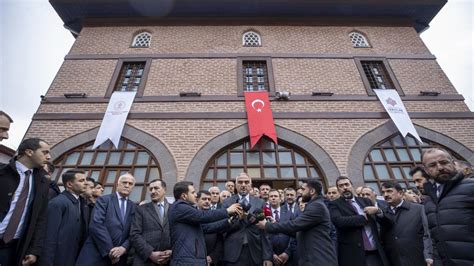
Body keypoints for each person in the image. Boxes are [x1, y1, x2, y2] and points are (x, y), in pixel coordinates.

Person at [257, 179, 337, 266]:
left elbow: (294, 225)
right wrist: (275, 223)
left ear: (312, 191)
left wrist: (267, 225)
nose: (301, 193)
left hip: (318, 259)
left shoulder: (317, 206)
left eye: (303, 190)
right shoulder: (314, 205)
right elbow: (297, 231)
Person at [0, 138, 51, 266]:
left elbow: (40, 218)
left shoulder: (43, 181)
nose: (49, 157)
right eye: (44, 152)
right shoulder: (3, 172)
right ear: (29, 152)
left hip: (13, 247)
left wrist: (34, 250)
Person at [168, 181, 242, 265]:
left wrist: (229, 221)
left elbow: (207, 228)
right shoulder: (179, 206)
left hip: (194, 260)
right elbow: (202, 215)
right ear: (184, 196)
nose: (196, 195)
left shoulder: (187, 211)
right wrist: (227, 211)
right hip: (186, 261)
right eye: (192, 192)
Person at [421, 148, 474, 265]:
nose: (440, 168)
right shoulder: (429, 200)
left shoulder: (471, 186)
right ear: (426, 170)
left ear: (453, 163)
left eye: (444, 162)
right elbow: (435, 238)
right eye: (432, 165)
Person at [76, 173, 137, 266]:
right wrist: (111, 251)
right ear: (118, 184)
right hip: (97, 254)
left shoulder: (134, 207)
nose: (127, 185)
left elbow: (134, 231)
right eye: (124, 182)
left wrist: (124, 248)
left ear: (133, 187)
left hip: (120, 258)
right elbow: (96, 225)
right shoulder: (104, 200)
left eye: (130, 184)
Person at [329, 176, 388, 266]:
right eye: (341, 186)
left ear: (351, 186)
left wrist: (378, 211)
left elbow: (383, 222)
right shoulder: (334, 204)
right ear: (338, 190)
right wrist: (363, 218)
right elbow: (339, 221)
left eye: (347, 184)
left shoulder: (365, 201)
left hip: (375, 252)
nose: (344, 187)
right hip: (353, 255)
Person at [38, 169, 89, 266]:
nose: (86, 183)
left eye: (85, 180)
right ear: (69, 184)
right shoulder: (57, 203)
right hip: (57, 259)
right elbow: (49, 237)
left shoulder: (81, 203)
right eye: (81, 181)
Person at [221, 172, 273, 266]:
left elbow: (264, 231)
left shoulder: (260, 202)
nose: (243, 185)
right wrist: (237, 219)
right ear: (236, 185)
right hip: (233, 253)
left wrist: (267, 256)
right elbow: (222, 228)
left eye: (246, 182)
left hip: (255, 252)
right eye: (240, 182)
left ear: (251, 185)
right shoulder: (227, 203)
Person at [378, 181, 433, 266]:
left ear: (400, 193)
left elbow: (428, 234)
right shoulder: (382, 214)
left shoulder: (419, 209)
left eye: (389, 191)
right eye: (383, 192)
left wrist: (429, 255)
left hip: (419, 259)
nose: (385, 195)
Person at [130, 179, 172, 266]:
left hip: (169, 260)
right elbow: (134, 234)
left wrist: (172, 251)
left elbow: (179, 234)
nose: (153, 191)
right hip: (144, 260)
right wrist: (150, 253)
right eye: (151, 189)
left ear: (165, 190)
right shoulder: (141, 209)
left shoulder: (174, 209)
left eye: (156, 188)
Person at [265, 189, 297, 266]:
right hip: (271, 258)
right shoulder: (264, 214)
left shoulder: (289, 214)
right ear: (268, 199)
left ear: (280, 198)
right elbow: (263, 236)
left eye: (275, 196)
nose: (273, 198)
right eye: (271, 196)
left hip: (288, 258)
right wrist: (271, 254)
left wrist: (287, 252)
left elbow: (294, 234)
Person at [197, 191, 224, 266]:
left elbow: (220, 240)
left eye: (209, 199)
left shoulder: (216, 217)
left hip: (211, 260)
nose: (207, 201)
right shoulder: (191, 216)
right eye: (204, 199)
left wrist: (212, 257)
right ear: (197, 200)